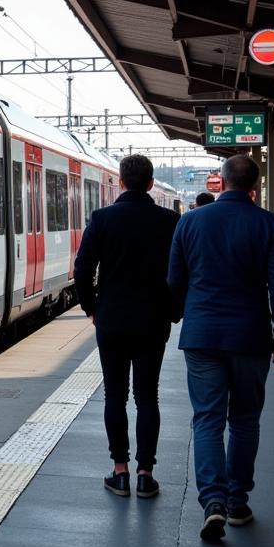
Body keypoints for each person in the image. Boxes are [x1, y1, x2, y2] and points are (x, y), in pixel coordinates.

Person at [167, 154, 274, 541]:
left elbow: (175, 280)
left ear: (221, 180)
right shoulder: (271, 226)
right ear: (255, 187)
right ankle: (237, 502)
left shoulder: (190, 221)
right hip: (250, 336)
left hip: (202, 335)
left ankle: (212, 502)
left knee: (207, 419)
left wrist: (189, 313)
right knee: (246, 420)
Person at [73, 155, 179, 498]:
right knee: (148, 397)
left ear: (120, 182)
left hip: (113, 320)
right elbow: (182, 273)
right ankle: (146, 474)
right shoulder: (169, 220)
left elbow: (82, 270)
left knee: (114, 396)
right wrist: (173, 311)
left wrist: (93, 308)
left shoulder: (102, 219)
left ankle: (120, 472)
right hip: (153, 320)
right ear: (150, 184)